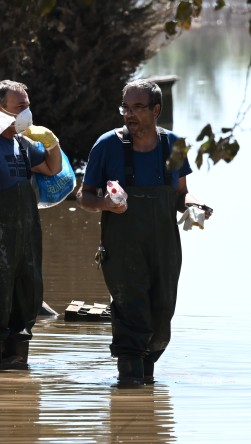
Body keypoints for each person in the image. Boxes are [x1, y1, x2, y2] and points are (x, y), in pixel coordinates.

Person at [76, 79, 212, 387]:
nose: (129, 114)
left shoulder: (174, 144)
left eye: (138, 108)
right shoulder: (107, 145)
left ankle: (144, 382)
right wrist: (107, 205)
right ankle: (129, 388)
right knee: (130, 315)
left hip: (164, 248)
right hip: (122, 249)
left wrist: (197, 206)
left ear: (156, 110)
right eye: (126, 107)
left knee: (161, 319)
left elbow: (181, 195)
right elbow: (84, 197)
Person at [0, 80, 62, 371]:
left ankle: (17, 372)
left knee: (26, 298)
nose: (26, 113)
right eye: (20, 107)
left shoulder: (22, 144)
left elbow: (52, 168)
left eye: (27, 107)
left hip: (24, 239)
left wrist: (51, 141)